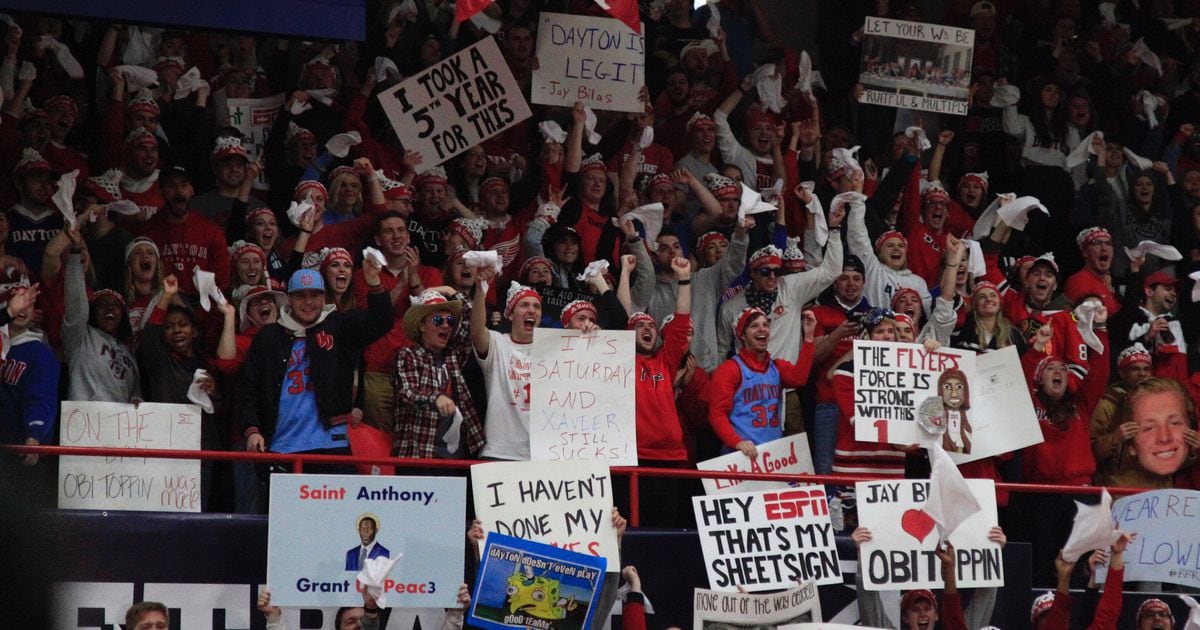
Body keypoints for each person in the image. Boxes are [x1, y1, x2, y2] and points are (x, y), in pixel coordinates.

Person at [238, 265, 393, 471]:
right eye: (300, 296)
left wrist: (374, 282)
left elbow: (380, 322)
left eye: (315, 295)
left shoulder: (339, 326)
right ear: (289, 299)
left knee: (335, 504)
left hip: (332, 444)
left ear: (324, 297)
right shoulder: (269, 337)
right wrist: (252, 430)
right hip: (281, 445)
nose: (308, 302)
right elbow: (248, 388)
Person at [708, 306, 816, 458]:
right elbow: (717, 413)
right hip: (739, 455)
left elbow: (799, 378)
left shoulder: (776, 367)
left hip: (772, 456)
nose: (762, 329)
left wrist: (809, 339)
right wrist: (737, 442)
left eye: (765, 325)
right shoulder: (729, 369)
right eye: (754, 326)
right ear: (742, 335)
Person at [393, 287, 484, 458]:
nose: (445, 325)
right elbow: (408, 392)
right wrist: (436, 397)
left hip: (455, 456)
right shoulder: (407, 355)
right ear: (421, 325)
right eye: (437, 320)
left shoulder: (454, 354)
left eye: (449, 320)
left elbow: (473, 321)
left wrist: (452, 292)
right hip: (419, 455)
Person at [471, 269, 539, 460]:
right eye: (524, 305)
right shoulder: (497, 342)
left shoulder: (552, 349)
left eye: (536, 306)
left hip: (541, 455)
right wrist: (480, 291)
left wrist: (591, 332)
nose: (532, 310)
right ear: (510, 314)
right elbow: (476, 332)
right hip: (500, 452)